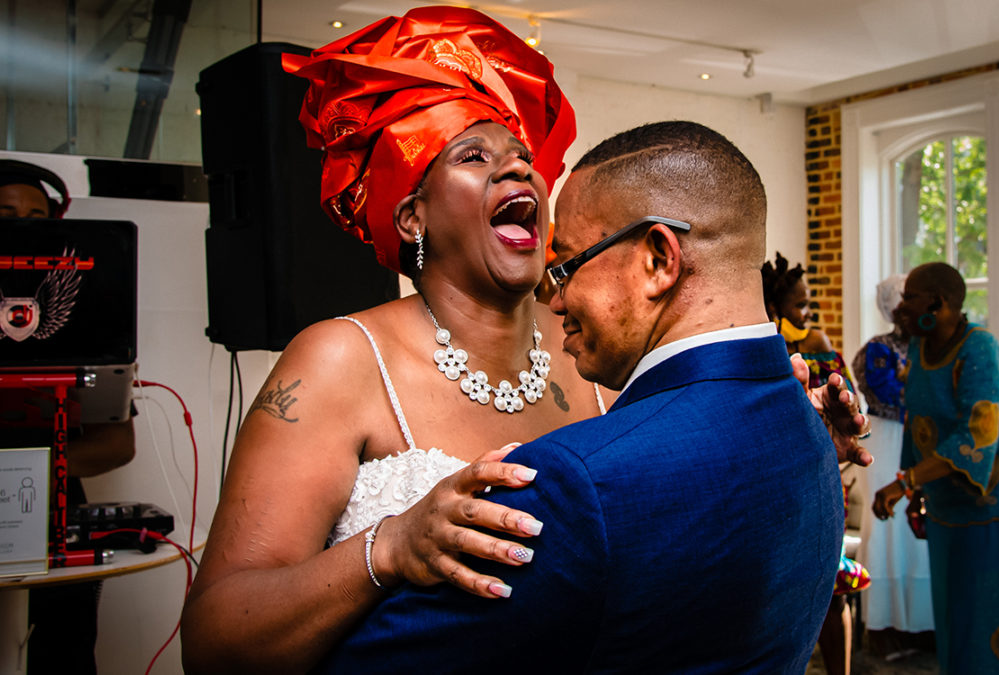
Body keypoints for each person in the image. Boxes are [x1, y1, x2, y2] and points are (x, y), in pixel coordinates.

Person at [181, 10, 869, 675]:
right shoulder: (337, 358)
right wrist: (387, 548)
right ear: (411, 212)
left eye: (521, 156)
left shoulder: (602, 347)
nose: (518, 171)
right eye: (474, 155)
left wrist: (785, 447)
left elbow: (674, 529)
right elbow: (215, 638)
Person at [307, 120, 847, 673]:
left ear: (659, 260)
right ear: (411, 214)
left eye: (564, 266)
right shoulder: (807, 425)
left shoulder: (573, 485)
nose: (557, 298)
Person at [0, 159, 136, 674]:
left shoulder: (90, 318)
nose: (26, 224)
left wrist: (19, 476)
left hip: (56, 525)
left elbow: (118, 444)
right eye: (6, 212)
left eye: (39, 215)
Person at [872, 262, 999, 674]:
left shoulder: (980, 347)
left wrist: (905, 483)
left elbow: (975, 438)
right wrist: (915, 491)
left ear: (939, 302)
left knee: (997, 613)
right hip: (949, 496)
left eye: (910, 297)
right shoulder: (919, 345)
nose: (901, 307)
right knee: (957, 613)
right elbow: (917, 421)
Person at [761, 251, 869, 675]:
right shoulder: (761, 348)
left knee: (830, 590)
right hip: (771, 485)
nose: (807, 312)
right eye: (799, 305)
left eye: (809, 304)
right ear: (774, 308)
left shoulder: (819, 346)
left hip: (819, 478)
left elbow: (849, 405)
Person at [851, 274, 934, 652]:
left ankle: (924, 625)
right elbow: (890, 394)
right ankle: (886, 627)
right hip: (887, 442)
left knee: (920, 535)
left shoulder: (932, 348)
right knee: (888, 531)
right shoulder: (876, 350)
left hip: (923, 441)